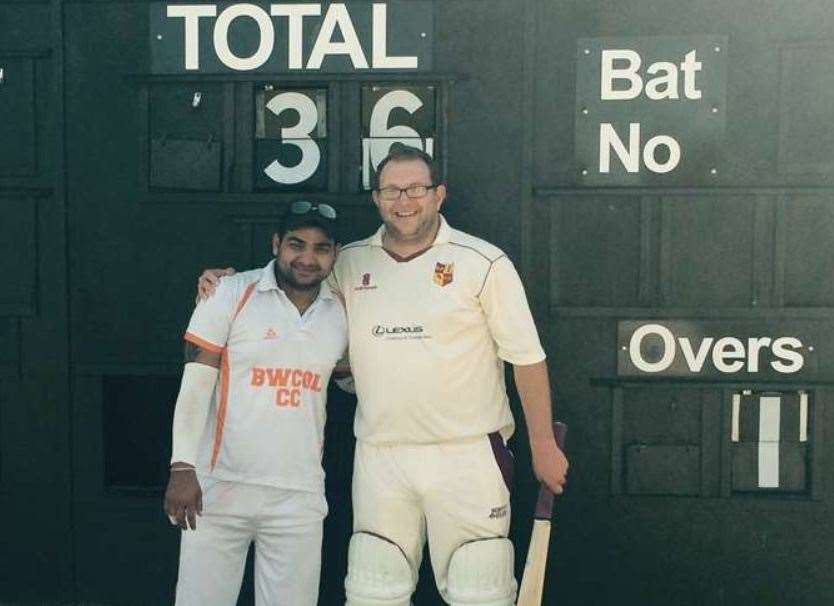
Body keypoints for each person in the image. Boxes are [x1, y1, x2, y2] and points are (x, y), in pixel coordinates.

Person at [198, 144, 568, 606]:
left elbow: (526, 358)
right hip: (380, 454)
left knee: (481, 591)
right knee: (375, 590)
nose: (403, 200)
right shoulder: (349, 262)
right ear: (376, 198)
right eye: (391, 189)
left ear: (438, 195)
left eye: (415, 188)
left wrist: (543, 445)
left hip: (469, 453)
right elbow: (294, 289)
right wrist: (229, 282)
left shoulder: (484, 263)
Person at [165, 201, 348, 606]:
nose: (307, 258)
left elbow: (354, 380)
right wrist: (182, 466)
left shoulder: (342, 311)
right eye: (296, 244)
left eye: (321, 248)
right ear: (276, 244)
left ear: (335, 254)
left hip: (298, 495)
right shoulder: (228, 292)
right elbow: (195, 385)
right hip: (218, 488)